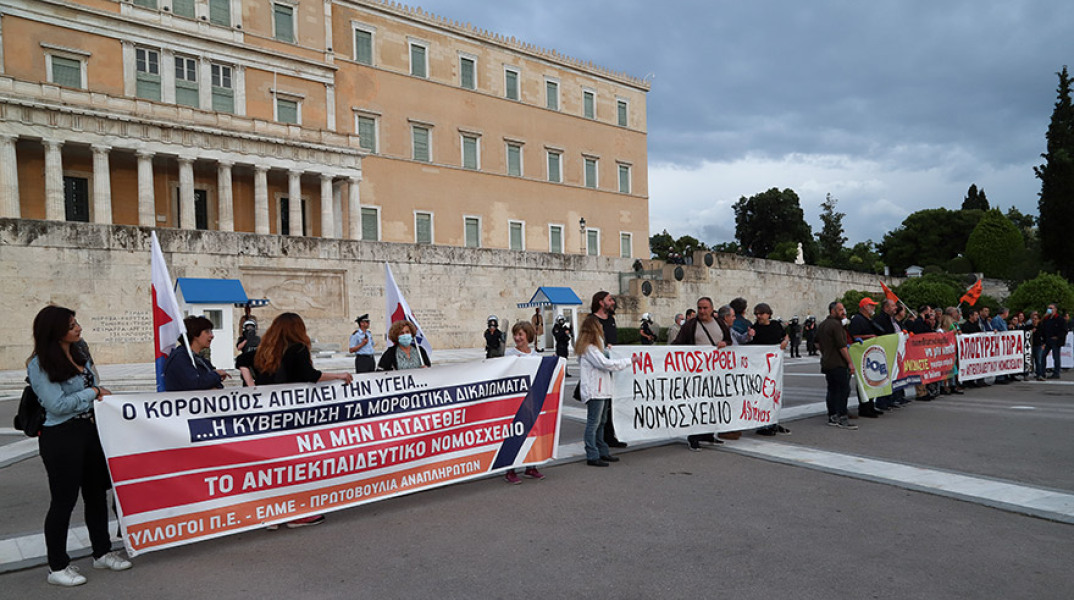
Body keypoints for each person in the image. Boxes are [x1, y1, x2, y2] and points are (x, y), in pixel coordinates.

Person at [27, 305, 132, 586]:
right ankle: (57, 566)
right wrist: (94, 392)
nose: (78, 328)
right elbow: (56, 404)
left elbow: (91, 386)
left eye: (76, 323)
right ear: (55, 330)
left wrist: (93, 393)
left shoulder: (80, 354)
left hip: (90, 430)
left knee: (96, 495)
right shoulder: (39, 364)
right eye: (72, 325)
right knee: (63, 501)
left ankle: (102, 551)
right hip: (61, 436)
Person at [254, 312, 353, 528]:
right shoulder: (297, 349)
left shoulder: (265, 352)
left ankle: (273, 515)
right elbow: (310, 375)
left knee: (275, 466)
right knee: (295, 464)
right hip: (293, 416)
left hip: (269, 416)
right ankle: (296, 513)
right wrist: (338, 376)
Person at [672, 297, 728, 449]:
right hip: (696, 373)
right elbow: (678, 343)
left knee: (713, 403)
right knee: (697, 404)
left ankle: (708, 434)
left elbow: (728, 340)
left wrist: (725, 344)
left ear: (711, 308)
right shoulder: (690, 325)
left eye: (705, 308)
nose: (702, 311)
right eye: (700, 308)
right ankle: (694, 437)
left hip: (717, 372)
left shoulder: (720, 323)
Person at [576, 316, 631, 467]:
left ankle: (602, 450)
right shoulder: (589, 349)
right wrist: (628, 361)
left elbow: (605, 358)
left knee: (602, 422)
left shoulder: (595, 347)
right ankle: (592, 453)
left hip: (603, 389)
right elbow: (604, 364)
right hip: (595, 391)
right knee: (594, 423)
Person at [502, 321, 546, 483]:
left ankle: (531, 466)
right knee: (514, 435)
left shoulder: (535, 356)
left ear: (528, 336)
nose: (517, 337)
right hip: (515, 402)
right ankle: (510, 469)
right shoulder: (509, 354)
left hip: (532, 401)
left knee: (532, 434)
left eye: (520, 334)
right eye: (515, 334)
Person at [591, 291, 626, 448]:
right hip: (599, 368)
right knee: (598, 412)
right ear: (601, 302)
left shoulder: (611, 320)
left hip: (612, 366)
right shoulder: (592, 321)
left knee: (611, 405)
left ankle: (609, 436)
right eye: (609, 300)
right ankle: (598, 441)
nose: (612, 302)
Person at [750, 303, 791, 436]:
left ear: (768, 314)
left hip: (773, 365)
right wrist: (750, 336)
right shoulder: (754, 328)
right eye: (756, 314)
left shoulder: (775, 325)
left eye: (761, 314)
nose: (758, 316)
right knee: (762, 393)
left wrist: (785, 342)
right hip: (760, 366)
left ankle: (773, 420)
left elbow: (785, 336)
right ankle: (763, 423)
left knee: (774, 392)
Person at [816, 301, 858, 430]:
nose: (843, 312)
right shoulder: (836, 325)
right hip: (838, 362)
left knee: (832, 390)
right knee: (843, 390)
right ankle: (842, 417)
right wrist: (850, 362)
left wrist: (826, 352)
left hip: (827, 362)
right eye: (840, 310)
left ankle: (832, 416)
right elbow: (842, 346)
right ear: (833, 311)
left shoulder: (822, 325)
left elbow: (816, 343)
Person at [163, 316, 229, 392]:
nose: (212, 336)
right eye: (207, 332)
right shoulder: (180, 358)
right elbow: (194, 384)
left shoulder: (201, 360)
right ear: (195, 333)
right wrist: (216, 374)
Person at [848, 297, 883, 417]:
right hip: (862, 355)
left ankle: (870, 405)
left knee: (872, 379)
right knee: (864, 382)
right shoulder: (857, 319)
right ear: (865, 307)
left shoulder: (868, 319)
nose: (874, 308)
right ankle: (864, 407)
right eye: (871, 305)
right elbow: (854, 336)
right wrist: (870, 337)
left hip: (871, 354)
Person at [1042, 303, 1067, 379]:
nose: (1049, 309)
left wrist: (1058, 337)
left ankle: (1056, 373)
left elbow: (1064, 330)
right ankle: (1042, 372)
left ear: (1055, 309)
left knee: (1056, 356)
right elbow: (1043, 327)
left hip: (1055, 340)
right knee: (1043, 355)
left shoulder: (1060, 319)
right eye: (1048, 308)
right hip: (1048, 340)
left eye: (1051, 308)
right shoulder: (1047, 319)